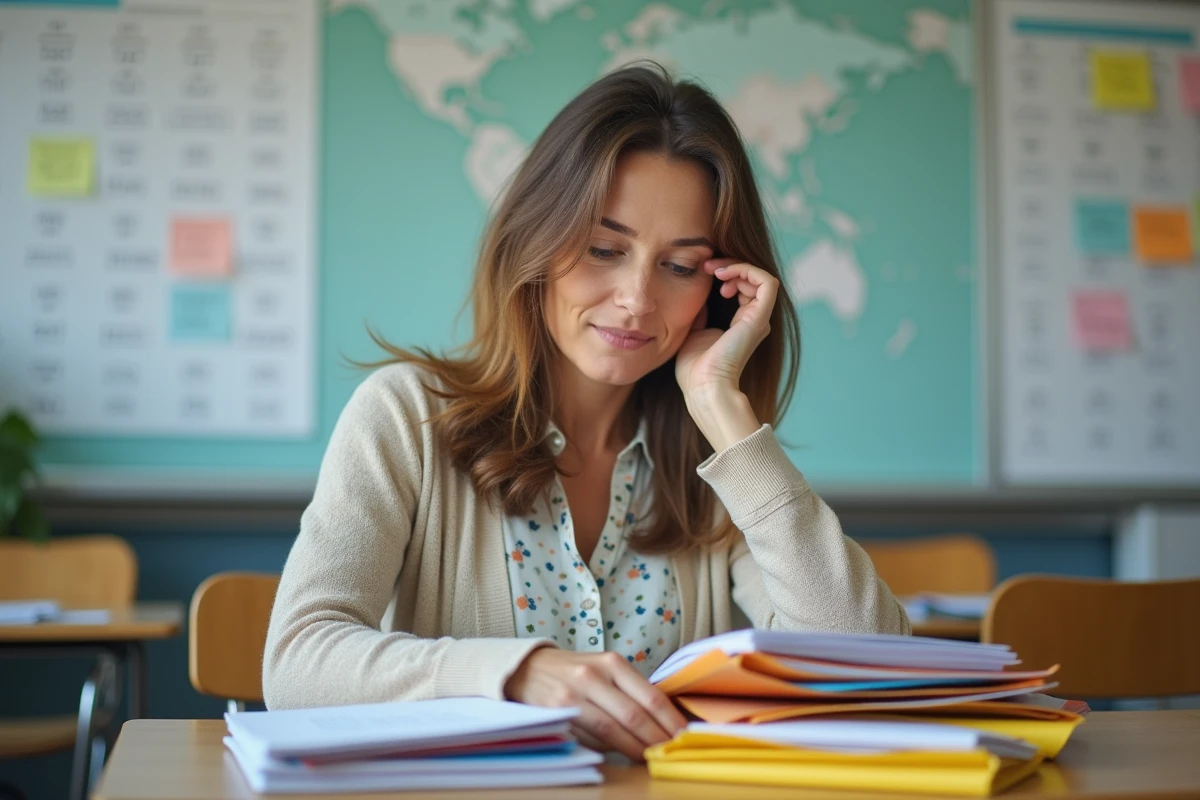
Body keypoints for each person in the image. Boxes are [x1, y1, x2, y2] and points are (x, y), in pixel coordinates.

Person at [263, 61, 909, 761]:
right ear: (535, 242)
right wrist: (520, 674)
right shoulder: (404, 417)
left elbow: (867, 664)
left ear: (718, 290)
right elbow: (298, 661)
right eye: (605, 249)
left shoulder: (718, 469)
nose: (636, 298)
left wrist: (725, 411)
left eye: (681, 266)